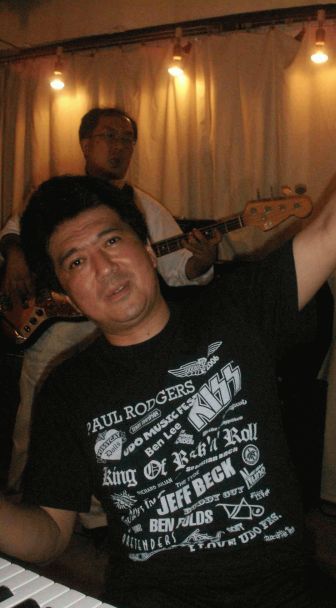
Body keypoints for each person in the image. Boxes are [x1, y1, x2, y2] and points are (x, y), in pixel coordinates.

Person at [1, 1, 336, 608]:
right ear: (65, 289)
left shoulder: (235, 311)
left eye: (112, 241)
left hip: (289, 601)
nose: (104, 268)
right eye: (77, 262)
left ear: (146, 247)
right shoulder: (68, 389)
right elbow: (50, 533)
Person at [0, 107, 220, 497]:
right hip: (55, 325)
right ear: (85, 144)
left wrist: (201, 262)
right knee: (34, 414)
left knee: (110, 420)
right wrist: (15, 255)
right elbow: (16, 228)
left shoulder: (145, 207)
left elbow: (176, 268)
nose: (119, 147)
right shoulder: (55, 195)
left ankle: (102, 511)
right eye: (109, 136)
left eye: (127, 139)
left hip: (114, 330)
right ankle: (23, 499)